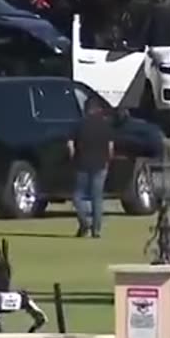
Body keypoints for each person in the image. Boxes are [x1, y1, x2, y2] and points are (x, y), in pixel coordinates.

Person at [68, 100, 115, 238]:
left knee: (78, 196)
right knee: (97, 197)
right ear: (98, 110)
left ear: (86, 109)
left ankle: (84, 222)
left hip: (82, 164)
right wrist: (107, 161)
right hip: (101, 165)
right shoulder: (106, 126)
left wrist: (73, 159)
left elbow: (70, 146)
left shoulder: (79, 125)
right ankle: (96, 230)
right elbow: (111, 148)